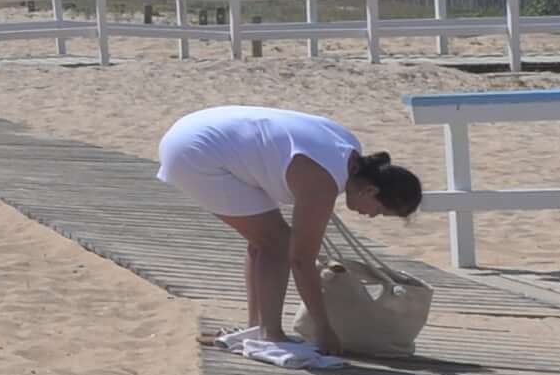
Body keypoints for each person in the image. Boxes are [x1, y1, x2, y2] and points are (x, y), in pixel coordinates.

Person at [156, 101, 424, 349]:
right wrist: (324, 329)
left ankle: (257, 327)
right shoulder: (324, 184)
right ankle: (270, 335)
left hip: (195, 130)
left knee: (265, 243)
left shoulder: (349, 150)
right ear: (370, 191)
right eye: (379, 211)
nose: (372, 216)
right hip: (197, 152)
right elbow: (301, 261)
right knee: (278, 245)